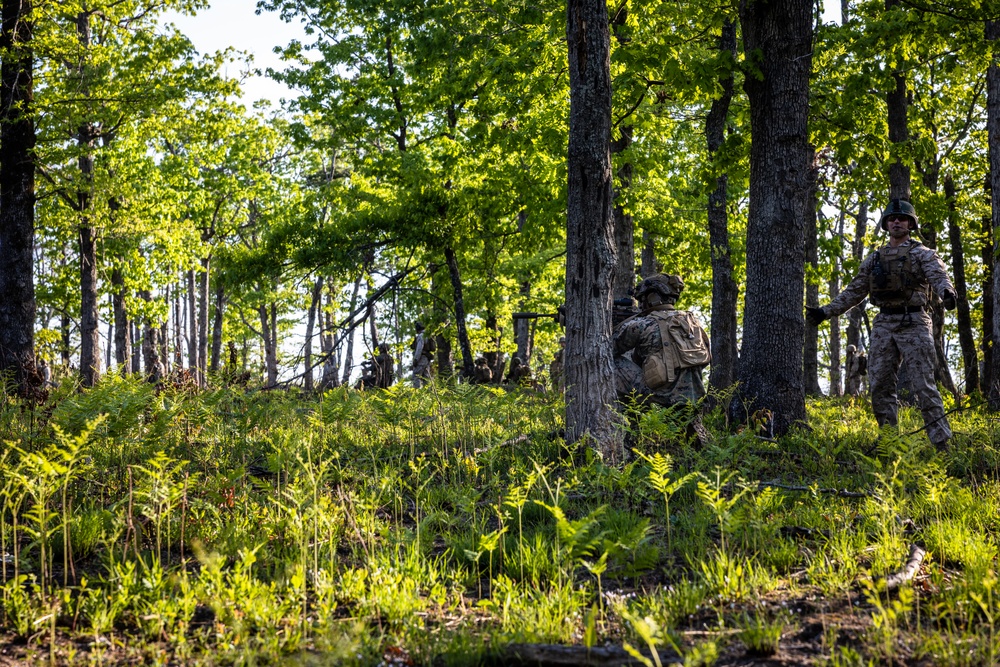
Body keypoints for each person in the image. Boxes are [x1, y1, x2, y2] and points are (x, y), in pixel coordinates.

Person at [807, 198, 957, 450]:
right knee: (880, 386)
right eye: (892, 218)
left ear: (910, 224)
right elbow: (855, 291)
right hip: (884, 323)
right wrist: (826, 312)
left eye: (902, 218)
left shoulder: (923, 254)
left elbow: (939, 276)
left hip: (915, 322)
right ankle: (889, 442)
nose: (896, 221)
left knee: (924, 385)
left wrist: (947, 294)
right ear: (886, 224)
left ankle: (942, 445)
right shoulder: (875, 259)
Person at [613, 273, 710, 410]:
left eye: (642, 299)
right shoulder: (693, 323)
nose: (641, 304)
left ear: (652, 297)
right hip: (695, 398)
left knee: (612, 362)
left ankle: (627, 416)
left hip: (662, 399)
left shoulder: (642, 324)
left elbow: (608, 349)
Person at [411, 321, 434, 388]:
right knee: (426, 377)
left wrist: (416, 359)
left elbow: (419, 348)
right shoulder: (427, 336)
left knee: (416, 376)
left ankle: (416, 393)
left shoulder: (421, 336)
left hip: (421, 358)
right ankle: (428, 395)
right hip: (427, 359)